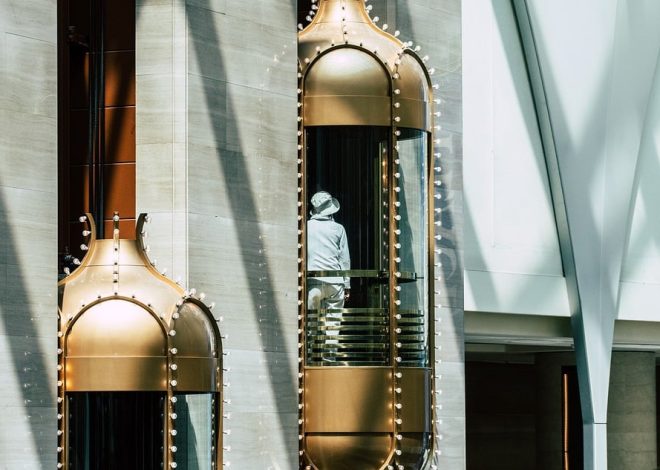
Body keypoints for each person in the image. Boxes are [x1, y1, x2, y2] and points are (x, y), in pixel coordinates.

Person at [306, 191, 350, 362]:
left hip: (313, 281)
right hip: (335, 281)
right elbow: (344, 259)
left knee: (311, 323)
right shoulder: (338, 229)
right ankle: (329, 360)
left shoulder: (306, 227)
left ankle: (309, 357)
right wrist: (347, 285)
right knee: (333, 325)